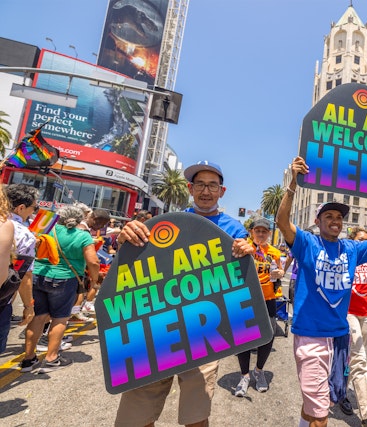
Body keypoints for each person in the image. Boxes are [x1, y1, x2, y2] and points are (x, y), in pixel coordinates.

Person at [114, 160, 254, 427]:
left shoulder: (234, 229)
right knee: (135, 416)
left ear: (222, 192)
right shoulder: (166, 223)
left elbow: (244, 277)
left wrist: (246, 254)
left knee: (196, 417)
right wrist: (126, 240)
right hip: (156, 332)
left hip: (204, 333)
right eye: (199, 184)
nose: (206, 190)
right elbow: (137, 266)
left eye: (212, 185)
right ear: (190, 188)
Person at [275, 156, 367, 427]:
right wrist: (292, 182)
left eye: (339, 217)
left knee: (315, 401)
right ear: (318, 220)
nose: (335, 221)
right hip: (311, 337)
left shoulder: (351, 249)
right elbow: (282, 221)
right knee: (321, 413)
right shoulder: (307, 243)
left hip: (339, 337)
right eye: (329, 216)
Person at [21, 205, 100, 373]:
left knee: (38, 317)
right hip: (65, 280)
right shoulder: (83, 236)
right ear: (79, 219)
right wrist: (94, 280)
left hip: (38, 275)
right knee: (60, 319)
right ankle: (51, 358)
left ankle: (28, 360)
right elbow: (93, 262)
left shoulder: (47, 229)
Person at [234, 218, 284, 397]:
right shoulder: (243, 246)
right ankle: (244, 375)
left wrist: (280, 273)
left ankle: (259, 370)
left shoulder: (275, 252)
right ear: (251, 231)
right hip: (245, 300)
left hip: (268, 299)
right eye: (258, 231)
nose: (261, 234)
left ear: (269, 233)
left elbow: (278, 272)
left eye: (265, 231)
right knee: (243, 338)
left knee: (269, 335)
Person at [339, 227, 367, 427]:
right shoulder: (347, 255)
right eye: (359, 240)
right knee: (360, 358)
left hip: (366, 313)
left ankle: (341, 391)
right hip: (348, 312)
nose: (362, 243)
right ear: (352, 241)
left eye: (366, 240)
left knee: (353, 357)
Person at [0, 184, 34, 353]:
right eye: (32, 208)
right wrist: (29, 306)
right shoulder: (23, 234)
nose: (33, 213)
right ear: (21, 207)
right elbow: (24, 276)